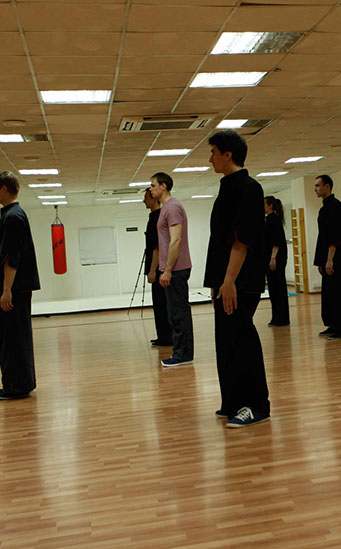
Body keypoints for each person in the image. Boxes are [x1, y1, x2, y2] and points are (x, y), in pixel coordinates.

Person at [204, 129, 270, 428]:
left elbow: (242, 240)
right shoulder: (228, 187)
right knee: (227, 340)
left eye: (213, 153)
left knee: (242, 339)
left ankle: (256, 406)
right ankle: (233, 401)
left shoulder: (249, 188)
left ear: (227, 154)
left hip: (240, 281)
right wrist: (218, 282)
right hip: (225, 280)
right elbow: (220, 239)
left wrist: (230, 280)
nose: (210, 159)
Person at [0, 170, 40, 400]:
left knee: (13, 340)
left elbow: (11, 258)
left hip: (14, 290)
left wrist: (7, 291)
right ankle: (17, 383)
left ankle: (17, 386)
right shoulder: (11, 215)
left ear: (4, 189)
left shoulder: (13, 217)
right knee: (13, 338)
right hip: (15, 289)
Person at [149, 172, 194, 368]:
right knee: (174, 314)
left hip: (176, 269)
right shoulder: (166, 208)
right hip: (171, 269)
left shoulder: (172, 207)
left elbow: (176, 240)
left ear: (163, 186)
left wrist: (167, 270)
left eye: (153, 185)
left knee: (179, 314)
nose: (151, 189)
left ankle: (182, 355)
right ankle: (181, 352)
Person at [313, 175, 341, 340]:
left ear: (327, 186)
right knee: (329, 294)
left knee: (338, 293)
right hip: (327, 258)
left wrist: (330, 260)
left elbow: (335, 237)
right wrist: (321, 261)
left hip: (336, 258)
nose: (315, 189)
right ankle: (333, 324)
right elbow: (323, 237)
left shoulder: (335, 207)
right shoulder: (325, 208)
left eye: (318, 185)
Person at [143, 189, 171, 347]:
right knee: (159, 304)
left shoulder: (157, 218)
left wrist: (152, 270)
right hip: (158, 267)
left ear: (154, 199)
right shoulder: (154, 217)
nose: (144, 201)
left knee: (161, 304)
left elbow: (157, 247)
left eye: (146, 198)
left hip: (159, 268)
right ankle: (163, 336)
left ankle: (166, 337)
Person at [264, 195, 290, 327]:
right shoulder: (269, 219)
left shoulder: (273, 220)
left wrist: (273, 258)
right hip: (272, 258)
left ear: (270, 206)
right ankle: (277, 317)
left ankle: (281, 318)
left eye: (264, 204)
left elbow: (276, 242)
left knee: (278, 289)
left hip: (275, 259)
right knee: (274, 289)